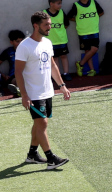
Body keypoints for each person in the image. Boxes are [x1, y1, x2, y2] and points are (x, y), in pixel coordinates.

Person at [15, 11, 71, 169]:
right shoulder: (24, 46)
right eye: (46, 25)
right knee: (43, 123)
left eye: (50, 24)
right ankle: (51, 158)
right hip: (33, 93)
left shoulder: (47, 42)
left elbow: (53, 65)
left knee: (39, 124)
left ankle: (32, 154)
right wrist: (24, 95)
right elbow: (18, 72)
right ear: (36, 25)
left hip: (47, 91)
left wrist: (62, 86)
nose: (49, 27)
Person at [67, 0, 104, 76]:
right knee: (87, 51)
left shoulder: (93, 2)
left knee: (94, 49)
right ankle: (92, 70)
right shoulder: (76, 5)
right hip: (83, 32)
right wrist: (78, 20)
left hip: (94, 31)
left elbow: (101, 12)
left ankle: (80, 64)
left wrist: (93, 19)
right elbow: (69, 17)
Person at [45, 0, 71, 81]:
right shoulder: (44, 13)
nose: (60, 5)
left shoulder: (61, 12)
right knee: (54, 58)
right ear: (51, 4)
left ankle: (66, 73)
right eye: (58, 3)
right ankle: (58, 75)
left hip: (62, 40)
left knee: (63, 56)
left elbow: (66, 24)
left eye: (61, 3)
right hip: (51, 41)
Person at [1, 30, 25, 97]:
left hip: (27, 74)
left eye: (22, 41)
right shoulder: (8, 52)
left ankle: (20, 90)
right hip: (13, 76)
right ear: (11, 42)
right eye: (17, 41)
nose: (20, 43)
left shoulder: (27, 50)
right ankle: (18, 90)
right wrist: (3, 76)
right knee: (18, 80)